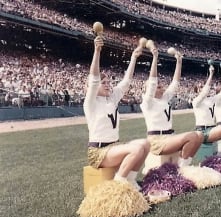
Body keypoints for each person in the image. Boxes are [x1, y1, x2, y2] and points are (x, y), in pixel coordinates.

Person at [83, 36, 150, 191]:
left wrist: (133, 57)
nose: (108, 85)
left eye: (109, 82)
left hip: (114, 147)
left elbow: (126, 82)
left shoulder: (111, 99)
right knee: (136, 149)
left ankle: (131, 181)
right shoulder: (90, 102)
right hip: (99, 152)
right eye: (104, 83)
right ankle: (119, 185)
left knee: (145, 144)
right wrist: (97, 51)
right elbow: (93, 79)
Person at [140, 45, 203, 167]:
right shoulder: (148, 102)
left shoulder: (164, 98)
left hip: (169, 136)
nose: (161, 87)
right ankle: (182, 168)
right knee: (192, 136)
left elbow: (175, 82)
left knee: (199, 135)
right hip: (157, 140)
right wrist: (155, 58)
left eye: (161, 85)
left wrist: (179, 62)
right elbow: (152, 82)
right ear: (148, 90)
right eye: (158, 86)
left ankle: (184, 164)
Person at [192, 64, 221, 153]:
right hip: (202, 130)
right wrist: (211, 74)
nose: (204, 88)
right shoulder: (196, 101)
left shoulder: (211, 99)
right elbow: (205, 92)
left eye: (203, 86)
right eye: (201, 87)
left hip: (212, 128)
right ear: (197, 91)